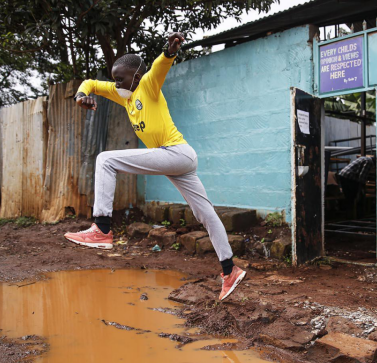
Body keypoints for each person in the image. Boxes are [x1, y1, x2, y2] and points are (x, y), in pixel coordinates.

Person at [64, 33, 245, 301]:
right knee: (206, 214)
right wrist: (81, 95)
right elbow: (91, 83)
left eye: (120, 79)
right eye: (114, 79)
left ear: (136, 77)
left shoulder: (147, 85)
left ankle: (102, 228)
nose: (115, 84)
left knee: (106, 159)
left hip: (176, 153)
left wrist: (169, 52)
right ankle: (230, 270)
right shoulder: (122, 95)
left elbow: (160, 66)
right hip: (179, 161)